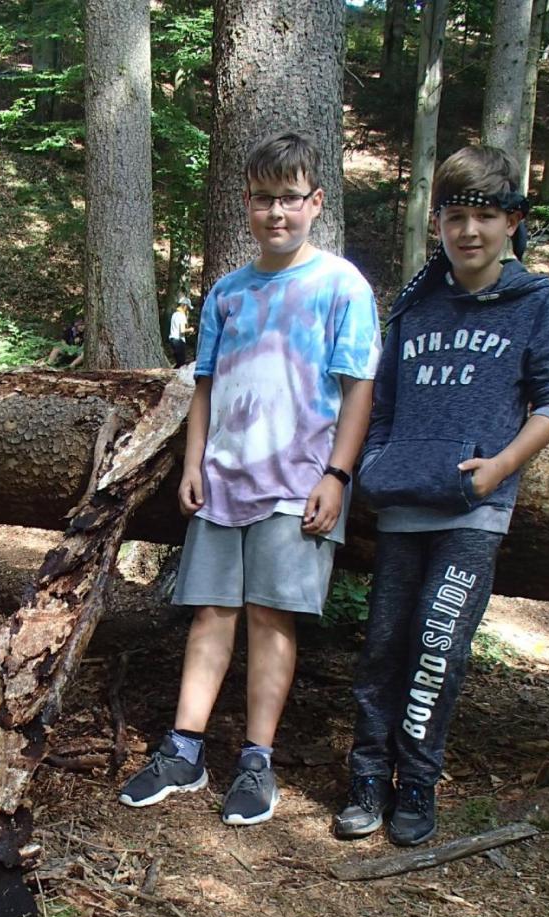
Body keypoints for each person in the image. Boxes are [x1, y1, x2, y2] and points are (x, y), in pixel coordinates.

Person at [118, 131, 380, 826]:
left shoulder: (339, 286)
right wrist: (196, 462)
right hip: (224, 480)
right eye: (263, 199)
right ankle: (183, 749)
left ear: (314, 202)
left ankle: (256, 761)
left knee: (271, 617)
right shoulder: (228, 294)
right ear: (246, 203)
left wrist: (336, 475)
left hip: (297, 482)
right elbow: (204, 386)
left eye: (289, 199)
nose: (276, 214)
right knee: (209, 612)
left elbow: (358, 391)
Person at [334, 145, 549, 849]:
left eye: (484, 216)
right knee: (382, 647)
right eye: (454, 217)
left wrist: (502, 464)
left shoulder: (532, 301)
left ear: (511, 222)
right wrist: (378, 465)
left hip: (473, 512)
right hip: (403, 505)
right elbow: (381, 406)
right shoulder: (414, 305)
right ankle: (365, 778)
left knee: (438, 645)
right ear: (435, 223)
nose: (468, 232)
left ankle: (416, 783)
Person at [168, 296, 191, 366]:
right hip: (179, 340)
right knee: (181, 363)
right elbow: (182, 330)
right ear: (184, 306)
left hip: (172, 340)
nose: (187, 309)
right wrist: (190, 329)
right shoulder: (181, 315)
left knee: (178, 362)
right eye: (187, 307)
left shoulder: (174, 314)